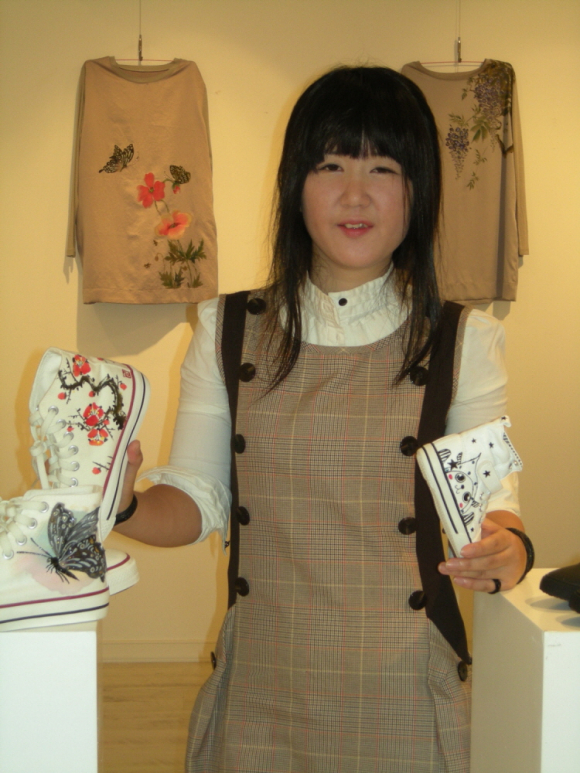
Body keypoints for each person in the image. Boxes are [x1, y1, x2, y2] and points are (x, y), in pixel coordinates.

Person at [116, 66, 527, 773]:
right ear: (294, 186)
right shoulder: (227, 329)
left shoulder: (466, 340)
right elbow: (193, 500)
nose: (355, 193)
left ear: (418, 190)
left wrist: (507, 549)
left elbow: (492, 510)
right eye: (330, 164)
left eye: (383, 167)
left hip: (406, 692)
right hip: (263, 693)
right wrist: (119, 500)